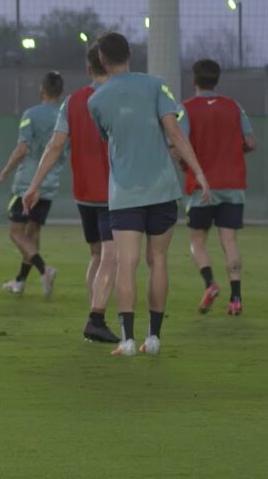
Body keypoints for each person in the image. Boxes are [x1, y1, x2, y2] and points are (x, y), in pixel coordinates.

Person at [87, 31, 211, 357]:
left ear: (101, 59)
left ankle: (127, 340)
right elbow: (174, 132)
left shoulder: (95, 100)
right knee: (158, 261)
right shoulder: (156, 85)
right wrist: (198, 172)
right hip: (162, 190)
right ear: (130, 53)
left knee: (125, 264)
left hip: (125, 193)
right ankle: (153, 338)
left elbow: (107, 136)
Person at [23, 46, 119, 343]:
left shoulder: (72, 102)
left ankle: (95, 316)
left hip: (84, 193)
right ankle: (97, 318)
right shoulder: (120, 98)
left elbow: (54, 147)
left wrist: (34, 184)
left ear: (89, 70)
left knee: (96, 254)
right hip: (114, 192)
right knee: (112, 256)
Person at [180, 59, 256, 316]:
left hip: (201, 186)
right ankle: (236, 299)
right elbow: (251, 142)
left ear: (194, 80)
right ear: (217, 79)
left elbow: (179, 146)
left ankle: (210, 283)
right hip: (233, 183)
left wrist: (184, 163)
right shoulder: (234, 107)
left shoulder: (186, 109)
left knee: (197, 241)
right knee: (229, 240)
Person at [0, 71, 64, 299]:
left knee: (15, 233)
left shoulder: (30, 115)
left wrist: (3, 172)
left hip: (27, 185)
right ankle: (20, 281)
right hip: (50, 183)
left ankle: (45, 269)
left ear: (42, 90)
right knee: (32, 235)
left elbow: (22, 149)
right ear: (60, 92)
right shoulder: (65, 116)